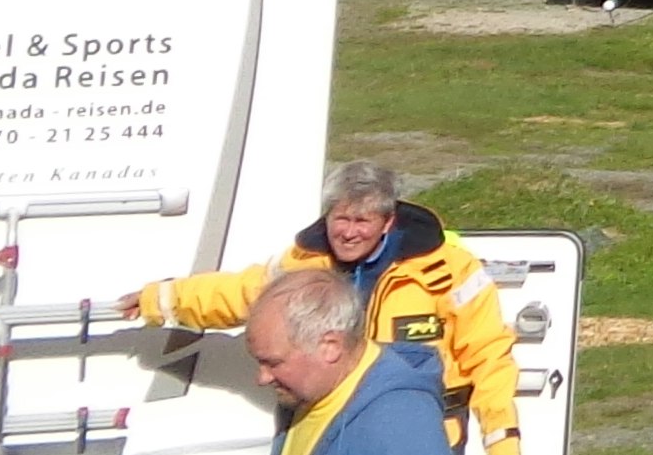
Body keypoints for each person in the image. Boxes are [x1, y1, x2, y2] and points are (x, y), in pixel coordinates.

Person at [134, 158, 520, 454]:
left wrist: (502, 443)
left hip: (412, 431)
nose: (349, 232)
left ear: (387, 222)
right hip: (321, 425)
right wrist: (159, 300)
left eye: (362, 221)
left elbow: (489, 358)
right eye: (340, 219)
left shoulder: (447, 270)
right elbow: (241, 293)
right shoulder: (305, 262)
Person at [247, 268, 454, 455]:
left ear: (330, 346)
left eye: (273, 363)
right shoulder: (304, 395)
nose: (262, 378)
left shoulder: (400, 426)